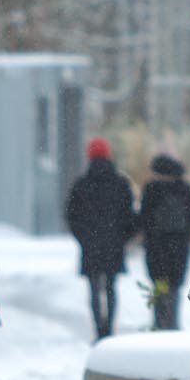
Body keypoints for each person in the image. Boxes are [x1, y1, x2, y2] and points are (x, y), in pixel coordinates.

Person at [66, 137, 136, 339]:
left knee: (94, 287)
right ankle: (109, 327)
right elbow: (130, 216)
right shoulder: (121, 184)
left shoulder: (81, 184)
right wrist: (122, 238)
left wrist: (83, 238)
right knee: (111, 287)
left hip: (91, 244)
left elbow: (72, 216)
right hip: (114, 244)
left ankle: (99, 328)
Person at [139, 154, 190, 329]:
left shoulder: (152, 188)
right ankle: (172, 322)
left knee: (159, 284)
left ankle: (159, 322)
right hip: (179, 247)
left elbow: (144, 218)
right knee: (174, 287)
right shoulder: (185, 189)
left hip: (157, 247)